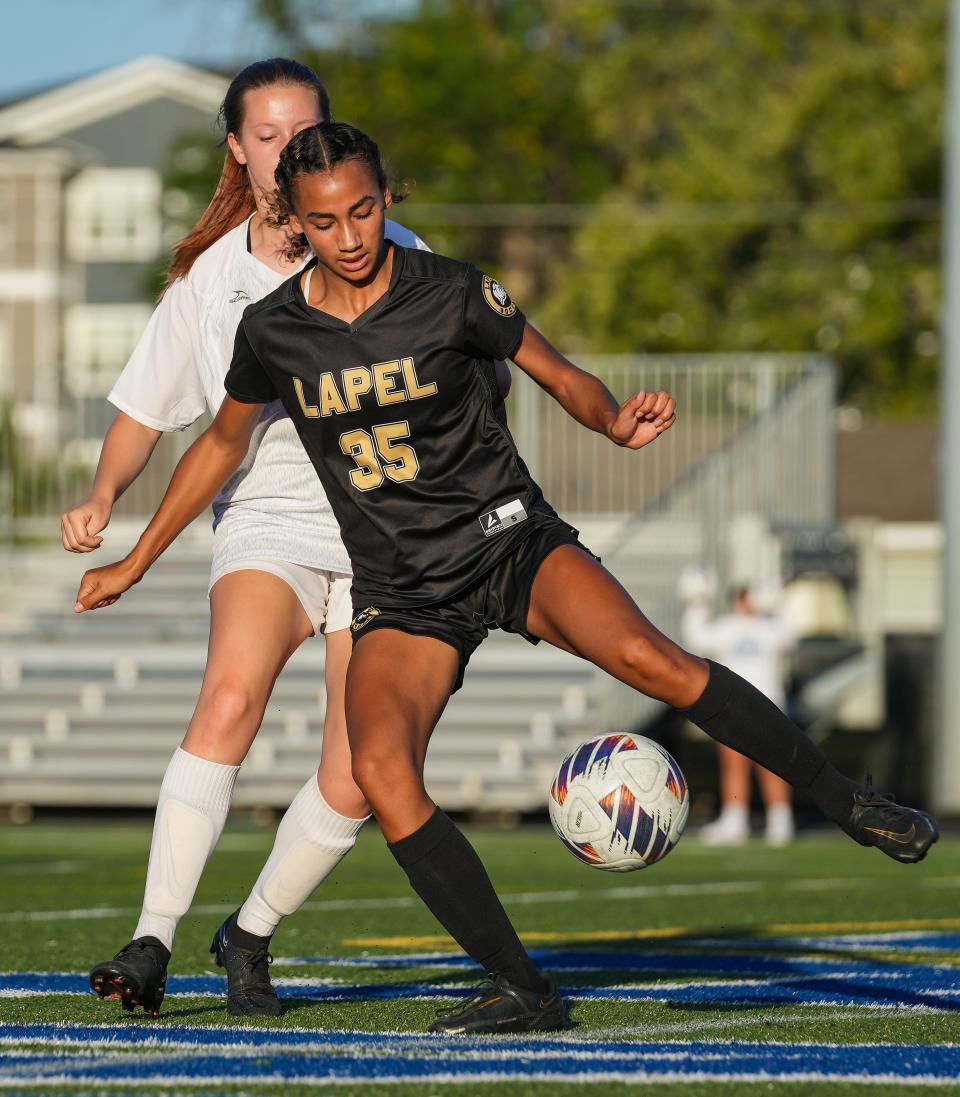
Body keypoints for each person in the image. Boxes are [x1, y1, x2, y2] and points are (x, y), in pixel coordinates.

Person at [75, 122, 939, 1036]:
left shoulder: (450, 289)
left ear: (386, 199)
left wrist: (611, 421)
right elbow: (217, 445)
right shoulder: (274, 330)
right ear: (295, 218)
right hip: (404, 588)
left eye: (366, 210)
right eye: (327, 222)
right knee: (377, 768)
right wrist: (136, 557)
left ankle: (849, 801)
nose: (353, 236)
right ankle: (524, 987)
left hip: (508, 541)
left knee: (653, 658)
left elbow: (555, 371)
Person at [61, 59, 450, 1020]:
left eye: (302, 130)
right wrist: (105, 492)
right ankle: (151, 939)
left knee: (359, 772)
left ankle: (249, 933)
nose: (286, 151)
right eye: (266, 136)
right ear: (239, 148)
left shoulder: (400, 249)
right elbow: (149, 408)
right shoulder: (213, 278)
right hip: (271, 522)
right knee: (230, 696)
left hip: (385, 537)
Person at [682, 583, 796, 846]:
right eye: (743, 597)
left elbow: (790, 638)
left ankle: (781, 821)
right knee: (734, 764)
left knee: (773, 766)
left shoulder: (770, 627)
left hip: (769, 705)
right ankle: (736, 820)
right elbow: (697, 639)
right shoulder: (728, 627)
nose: (746, 602)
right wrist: (697, 603)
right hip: (733, 706)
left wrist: (778, 608)